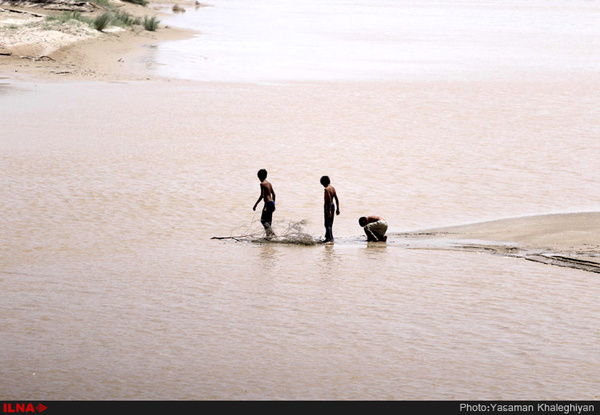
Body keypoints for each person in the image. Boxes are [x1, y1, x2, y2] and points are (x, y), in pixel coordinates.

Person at [253, 169, 276, 238]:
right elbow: (274, 194)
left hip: (267, 204)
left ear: (260, 177)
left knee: (263, 220)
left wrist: (255, 204)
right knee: (268, 221)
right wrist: (274, 204)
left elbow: (262, 195)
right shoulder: (269, 183)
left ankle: (271, 233)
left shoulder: (262, 184)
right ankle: (268, 237)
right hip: (272, 203)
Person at [320, 175, 340, 243]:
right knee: (330, 223)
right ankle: (328, 236)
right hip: (333, 206)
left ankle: (330, 238)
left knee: (327, 224)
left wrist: (328, 211)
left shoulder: (326, 189)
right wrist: (338, 208)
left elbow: (328, 200)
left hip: (328, 207)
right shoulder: (332, 188)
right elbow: (336, 198)